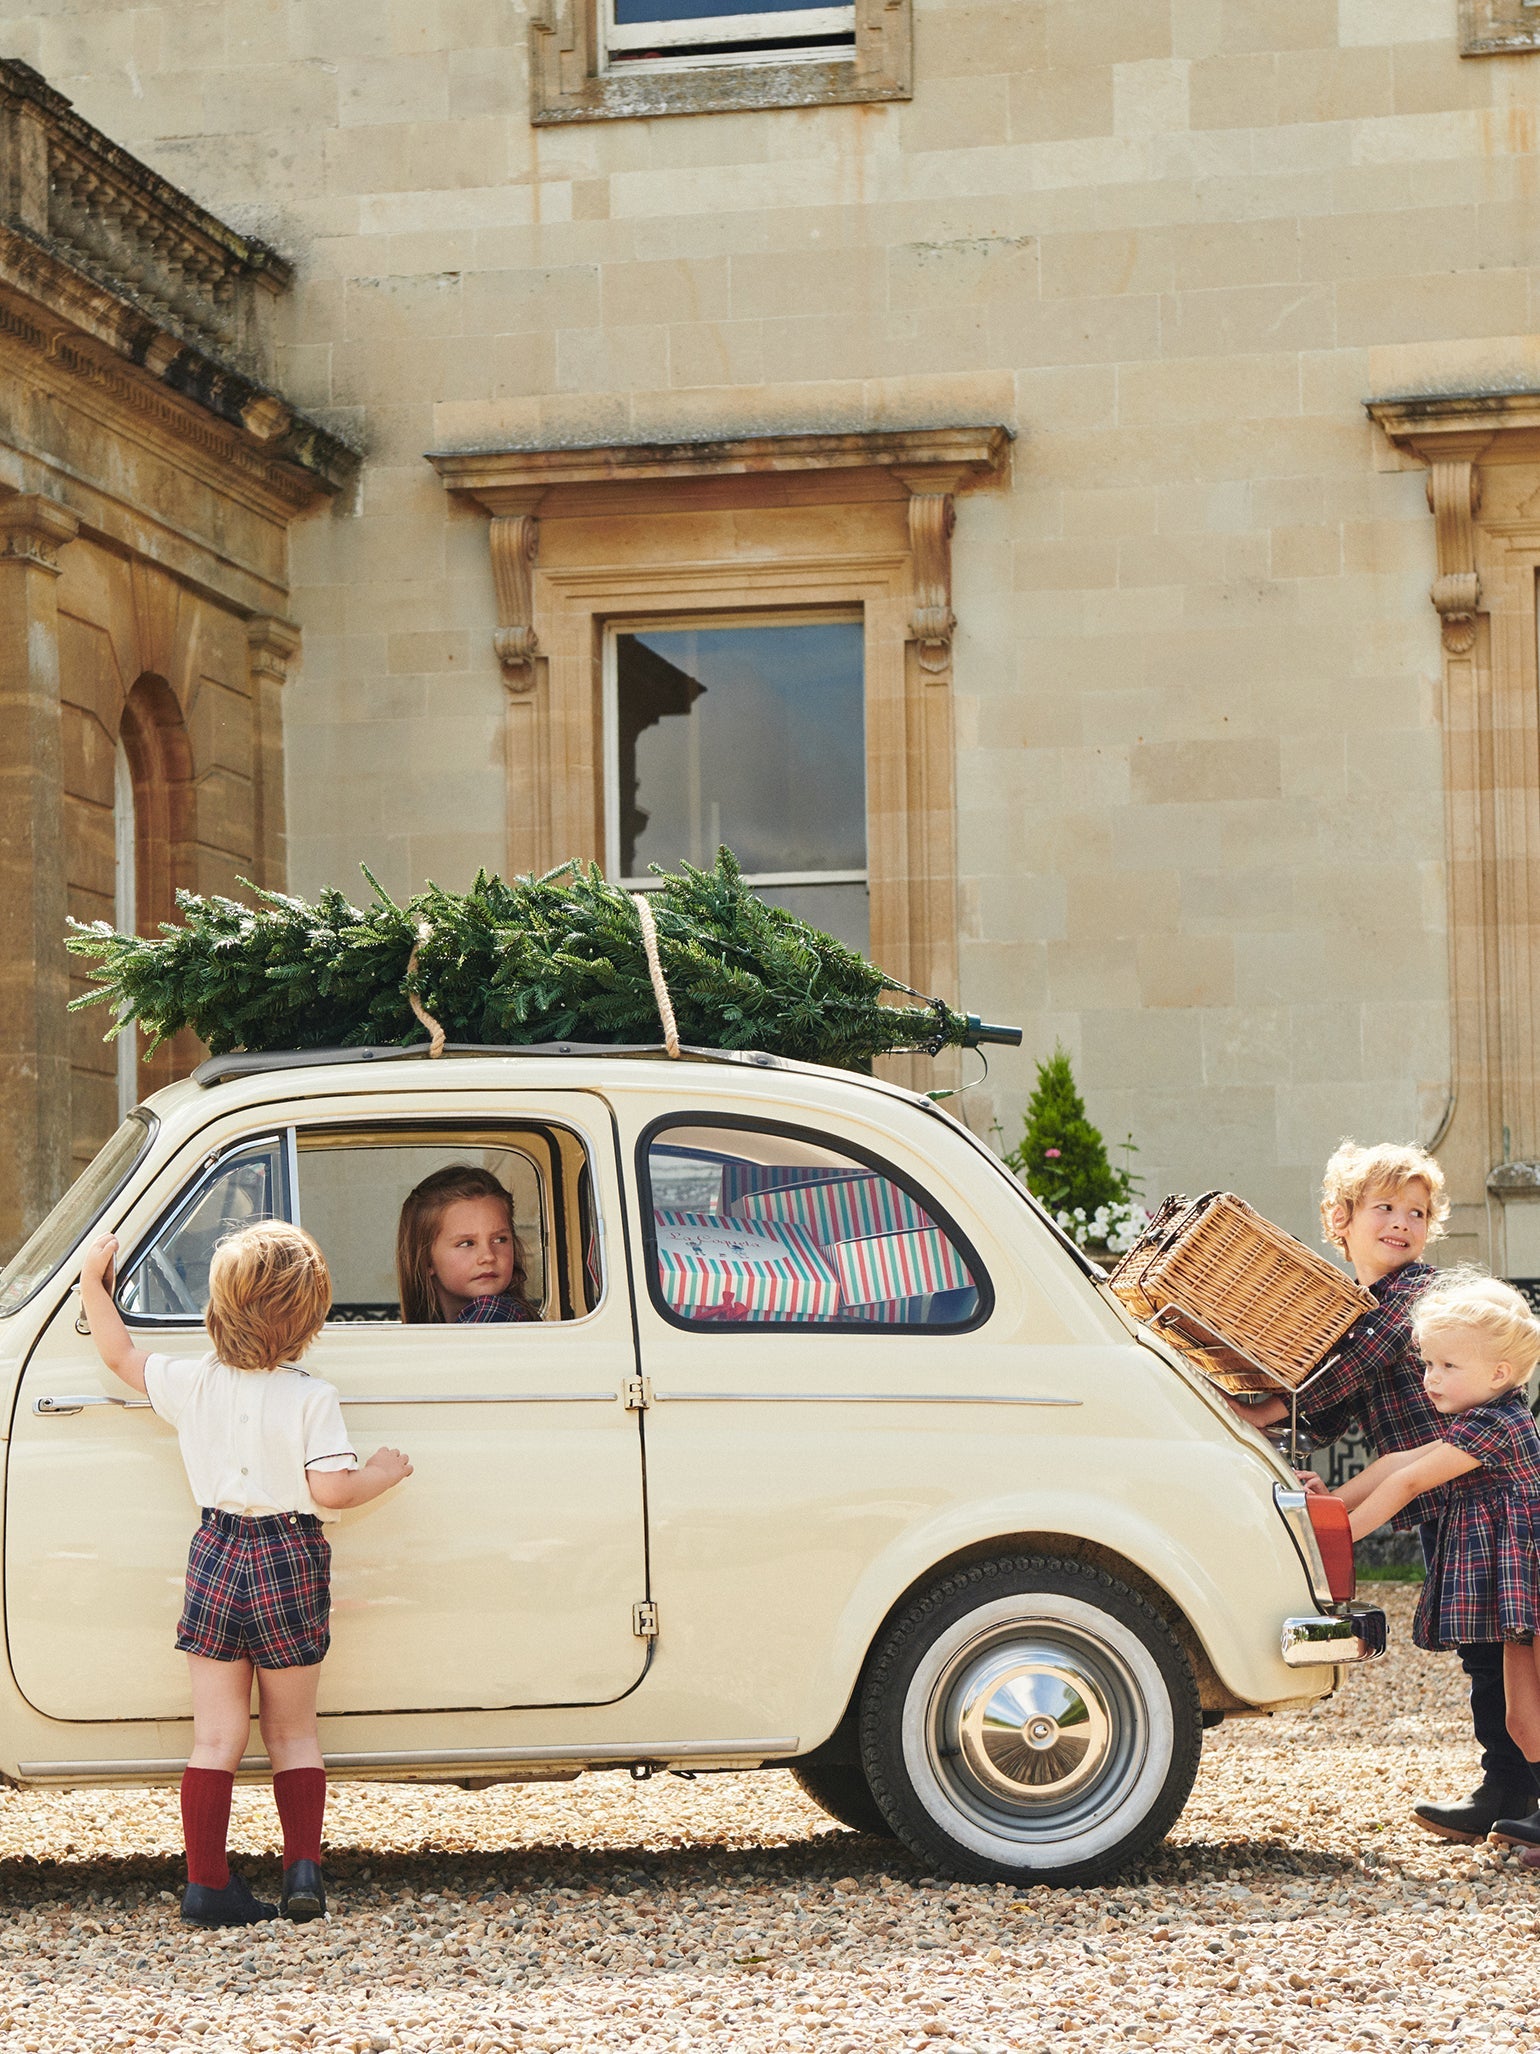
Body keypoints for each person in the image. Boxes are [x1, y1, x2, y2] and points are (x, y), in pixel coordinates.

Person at [78, 1220, 413, 1927]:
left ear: (217, 1308)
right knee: (292, 1731)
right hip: (287, 1556)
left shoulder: (191, 1381)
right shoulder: (310, 1396)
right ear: (311, 1318)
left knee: (215, 1735)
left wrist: (91, 1280)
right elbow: (330, 1491)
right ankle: (302, 1874)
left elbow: (118, 1355)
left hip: (216, 1554)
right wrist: (380, 1474)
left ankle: (207, 1884)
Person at [1228, 1138, 1536, 1842]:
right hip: (1445, 1497)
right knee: (1481, 1649)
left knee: (1501, 1648)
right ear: (1341, 1219)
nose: (1402, 1223)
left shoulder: (1414, 1297)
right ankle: (1506, 1785)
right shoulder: (1354, 1307)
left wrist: (1260, 1410)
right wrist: (1286, 1453)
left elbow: (1339, 1375)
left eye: (1417, 1212)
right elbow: (1332, 1411)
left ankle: (1517, 1787)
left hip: (1476, 1492)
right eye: (1384, 1207)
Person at [1328, 1272, 1540, 1858]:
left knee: (1535, 1706)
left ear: (1498, 1374)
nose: (1429, 1378)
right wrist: (1323, 1506)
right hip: (1515, 1582)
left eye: (1447, 1366)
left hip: (1532, 1574)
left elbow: (1409, 1481)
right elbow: (1394, 1460)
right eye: (1427, 1364)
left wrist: (1333, 1541)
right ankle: (1523, 1805)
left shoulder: (1500, 1424)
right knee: (1522, 1717)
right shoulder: (1475, 1419)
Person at [396, 1164, 540, 1324]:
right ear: (427, 1259)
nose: (488, 1256)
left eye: (500, 1239)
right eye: (467, 1243)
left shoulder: (496, 1311)